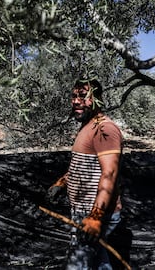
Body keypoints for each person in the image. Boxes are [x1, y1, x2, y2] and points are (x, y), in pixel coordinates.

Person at [46, 78, 123, 269]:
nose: (76, 101)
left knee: (77, 264)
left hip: (95, 213)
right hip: (84, 211)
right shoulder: (87, 125)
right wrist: (61, 182)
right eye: (74, 96)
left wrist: (95, 217)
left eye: (83, 96)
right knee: (99, 262)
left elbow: (110, 173)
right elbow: (82, 164)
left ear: (97, 99)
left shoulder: (105, 129)